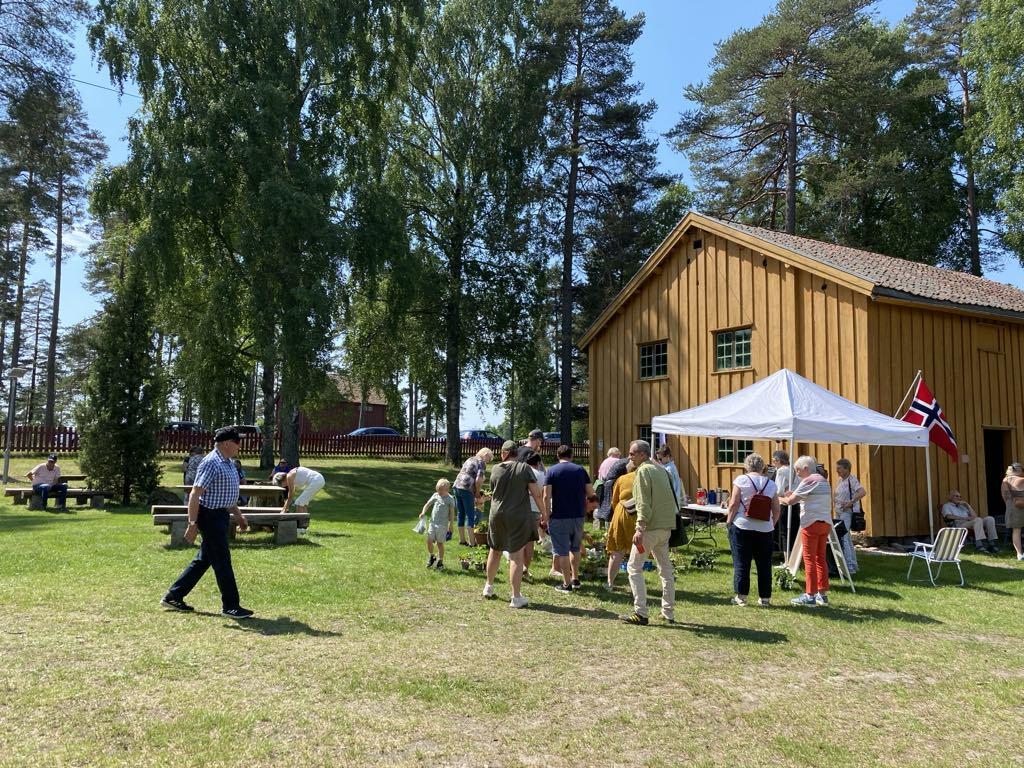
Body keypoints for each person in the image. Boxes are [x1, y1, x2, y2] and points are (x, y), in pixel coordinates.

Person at [161, 427, 254, 618]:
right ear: (227, 443)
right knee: (222, 561)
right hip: (209, 517)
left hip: (220, 515)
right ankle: (231, 606)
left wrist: (238, 515)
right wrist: (192, 523)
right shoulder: (211, 462)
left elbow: (226, 495)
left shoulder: (228, 463)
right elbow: (195, 494)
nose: (240, 445)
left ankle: (174, 596)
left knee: (204, 559)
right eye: (237, 442)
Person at [482, 440, 546, 609]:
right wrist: (544, 514)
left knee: (494, 550)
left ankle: (488, 587)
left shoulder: (495, 469)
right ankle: (516, 597)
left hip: (496, 514)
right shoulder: (524, 468)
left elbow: (494, 491)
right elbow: (537, 494)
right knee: (516, 555)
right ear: (516, 454)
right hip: (517, 516)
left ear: (504, 453)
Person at [621, 440, 677, 625]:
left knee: (633, 567)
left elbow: (643, 503)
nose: (629, 457)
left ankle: (641, 612)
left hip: (650, 528)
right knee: (665, 570)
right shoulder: (661, 470)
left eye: (632, 454)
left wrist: (640, 527)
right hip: (666, 527)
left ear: (642, 454)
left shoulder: (644, 470)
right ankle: (668, 612)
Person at [725, 453, 780, 607]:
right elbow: (776, 509)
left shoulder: (741, 480)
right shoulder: (771, 484)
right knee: (764, 564)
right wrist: (772, 524)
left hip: (743, 525)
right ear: (762, 467)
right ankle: (765, 598)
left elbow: (734, 503)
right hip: (765, 528)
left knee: (742, 562)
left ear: (746, 466)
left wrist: (729, 521)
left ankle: (742, 597)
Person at [779, 455, 834, 607]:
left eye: (797, 470)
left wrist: (777, 499)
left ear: (805, 468)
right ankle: (822, 594)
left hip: (811, 523)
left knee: (809, 559)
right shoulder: (823, 480)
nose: (797, 473)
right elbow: (808, 496)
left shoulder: (808, 480)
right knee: (820, 558)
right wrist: (794, 495)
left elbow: (790, 501)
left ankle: (810, 595)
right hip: (825, 522)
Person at [543, 445, 594, 592]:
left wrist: (546, 514)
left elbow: (546, 496)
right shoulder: (580, 470)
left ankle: (566, 583)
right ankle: (575, 578)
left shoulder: (552, 471)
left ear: (557, 456)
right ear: (571, 456)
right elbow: (591, 493)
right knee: (575, 548)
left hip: (559, 516)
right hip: (578, 516)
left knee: (562, 551)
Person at [604, 460, 637, 591]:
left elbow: (614, 501)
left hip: (622, 513)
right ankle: (636, 585)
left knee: (617, 550)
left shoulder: (622, 479)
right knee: (638, 551)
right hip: (639, 515)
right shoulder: (646, 478)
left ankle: (610, 582)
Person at [453, 448, 493, 545]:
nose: (487, 462)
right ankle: (472, 542)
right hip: (466, 488)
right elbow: (479, 479)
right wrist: (477, 493)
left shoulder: (470, 459)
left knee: (460, 513)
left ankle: (462, 540)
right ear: (485, 454)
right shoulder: (481, 462)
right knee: (470, 515)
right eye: (488, 459)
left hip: (456, 486)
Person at [832, 459, 863, 575]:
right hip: (839, 512)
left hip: (847, 512)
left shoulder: (852, 479)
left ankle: (849, 567)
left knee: (844, 537)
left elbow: (862, 492)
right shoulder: (841, 480)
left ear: (846, 468)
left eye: (839, 468)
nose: (837, 470)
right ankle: (853, 564)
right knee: (847, 538)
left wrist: (851, 502)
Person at [420, 478, 456, 570]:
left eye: (441, 490)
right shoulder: (435, 495)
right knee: (429, 540)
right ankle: (432, 556)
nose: (439, 492)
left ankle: (440, 561)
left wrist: (451, 524)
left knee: (440, 543)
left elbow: (452, 513)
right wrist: (423, 512)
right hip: (432, 523)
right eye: (438, 490)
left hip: (442, 525)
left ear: (447, 490)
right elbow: (428, 504)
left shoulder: (450, 499)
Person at [523, 451, 546, 579]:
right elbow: (542, 495)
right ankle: (525, 568)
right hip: (535, 510)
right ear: (538, 463)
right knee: (530, 541)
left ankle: (519, 566)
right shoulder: (541, 475)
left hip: (520, 509)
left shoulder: (522, 473)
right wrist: (544, 512)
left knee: (520, 540)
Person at [772, 450, 798, 552]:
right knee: (793, 531)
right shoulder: (793, 469)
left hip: (784, 503)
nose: (773, 463)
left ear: (778, 460)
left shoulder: (781, 471)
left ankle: (786, 557)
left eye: (774, 461)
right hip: (795, 502)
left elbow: (779, 490)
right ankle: (792, 555)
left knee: (784, 532)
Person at [595, 456, 629, 526]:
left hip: (606, 482)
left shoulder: (606, 460)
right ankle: (609, 522)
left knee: (606, 504)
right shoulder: (624, 461)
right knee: (610, 504)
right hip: (613, 483)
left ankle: (603, 520)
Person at [1001, 463, 1024, 561]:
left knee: (1016, 531)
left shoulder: (1005, 480)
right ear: (1020, 470)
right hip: (1021, 506)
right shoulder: (1021, 479)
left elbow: (1005, 497)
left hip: (1011, 508)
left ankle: (1020, 554)